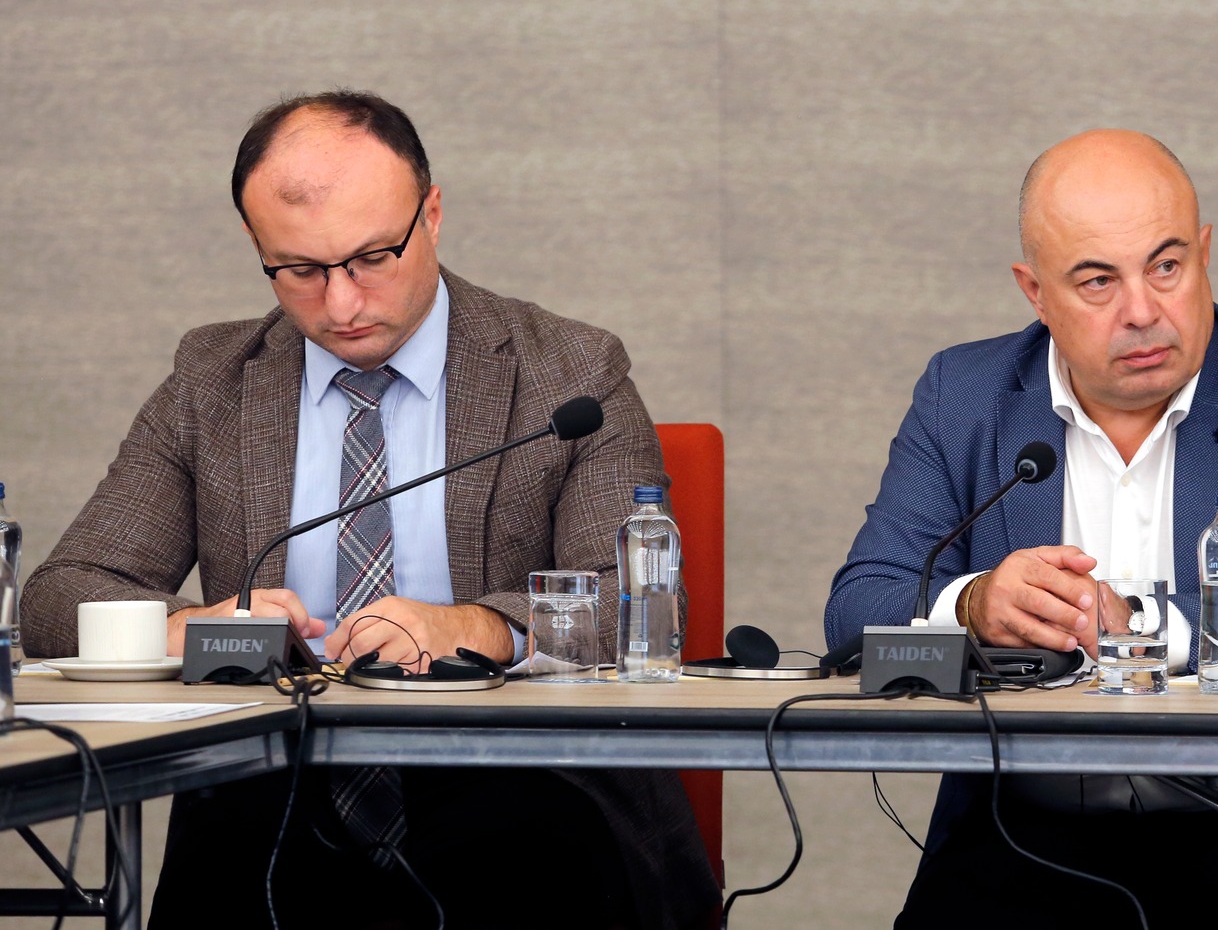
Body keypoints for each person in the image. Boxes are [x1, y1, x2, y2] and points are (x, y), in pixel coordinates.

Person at [21, 91, 717, 930]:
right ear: (256, 245)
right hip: (273, 795)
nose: (342, 304)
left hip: (522, 786)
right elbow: (60, 595)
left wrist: (476, 628)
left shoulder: (571, 370)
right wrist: (190, 628)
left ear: (432, 214)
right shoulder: (212, 381)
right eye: (300, 270)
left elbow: (628, 602)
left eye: (372, 258)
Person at [826, 129, 1218, 928]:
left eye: (1167, 266)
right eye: (1098, 281)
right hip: (1025, 835)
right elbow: (855, 610)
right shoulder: (962, 396)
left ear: (1205, 252)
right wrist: (976, 605)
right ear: (1035, 292)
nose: (1142, 311)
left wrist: (1134, 625)